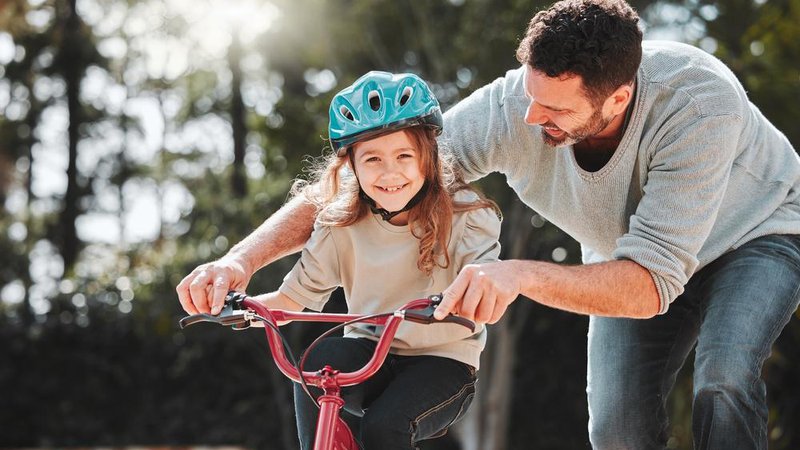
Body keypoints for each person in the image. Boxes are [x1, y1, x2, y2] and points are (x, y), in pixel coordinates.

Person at [178, 0, 800, 448]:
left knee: (722, 378)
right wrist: (241, 261)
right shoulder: (513, 107)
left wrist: (516, 274)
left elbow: (650, 285)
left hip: (756, 236)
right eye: (531, 93)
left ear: (617, 98)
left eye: (555, 108)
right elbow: (371, 185)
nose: (532, 116)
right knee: (615, 428)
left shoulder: (697, 103)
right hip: (627, 255)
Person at [180, 71, 502, 449]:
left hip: (443, 361)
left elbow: (486, 289)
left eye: (404, 155)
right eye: (372, 159)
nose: (389, 172)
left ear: (427, 158)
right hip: (370, 354)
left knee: (385, 426)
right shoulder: (339, 225)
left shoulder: (468, 215)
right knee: (314, 368)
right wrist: (235, 307)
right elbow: (289, 303)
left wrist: (470, 298)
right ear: (350, 165)